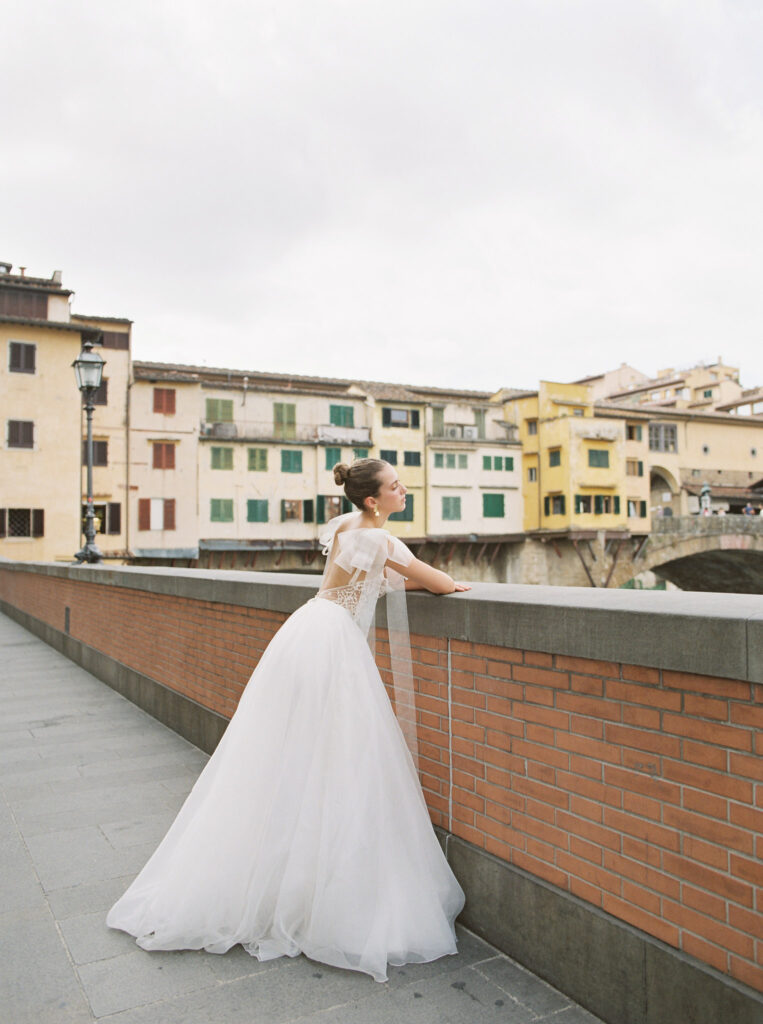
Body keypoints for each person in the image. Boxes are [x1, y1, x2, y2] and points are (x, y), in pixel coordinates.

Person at [107, 458, 470, 982]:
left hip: (308, 628)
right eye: (396, 486)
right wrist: (445, 583)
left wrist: (402, 583)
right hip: (334, 644)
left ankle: (278, 875)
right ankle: (317, 884)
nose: (404, 490)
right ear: (374, 500)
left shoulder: (348, 528)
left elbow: (376, 584)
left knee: (290, 750)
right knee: (340, 753)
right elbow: (436, 581)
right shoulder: (381, 540)